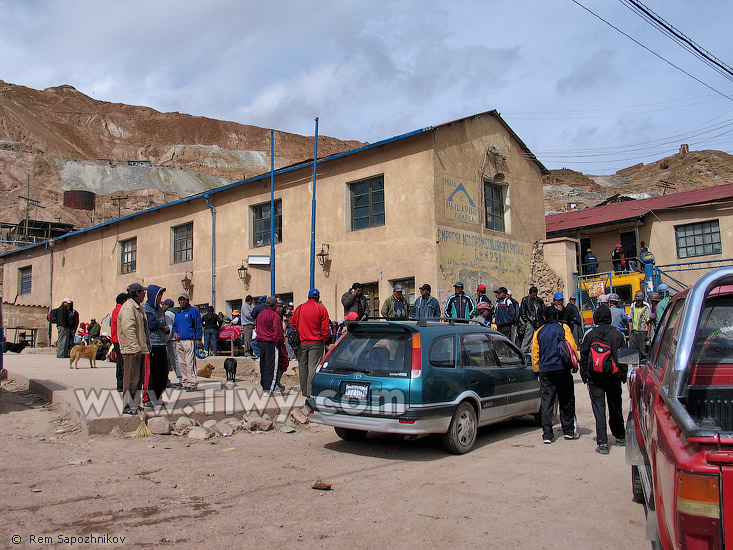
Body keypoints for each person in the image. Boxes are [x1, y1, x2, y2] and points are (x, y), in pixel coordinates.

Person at [579, 307, 627, 455]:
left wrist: (585, 375)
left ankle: (603, 442)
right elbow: (623, 358)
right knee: (615, 406)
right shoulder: (617, 334)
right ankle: (619, 435)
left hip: (595, 378)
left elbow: (584, 356)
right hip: (613, 377)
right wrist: (623, 375)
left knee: (599, 409)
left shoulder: (590, 335)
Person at [531, 306, 579, 444]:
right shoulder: (563, 328)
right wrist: (575, 362)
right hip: (562, 368)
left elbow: (535, 354)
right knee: (566, 399)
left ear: (544, 318)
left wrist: (537, 371)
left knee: (547, 402)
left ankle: (547, 434)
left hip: (546, 370)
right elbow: (572, 346)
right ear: (557, 317)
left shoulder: (539, 332)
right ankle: (568, 430)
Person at [117, 283, 151, 415]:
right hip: (132, 350)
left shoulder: (137, 308)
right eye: (143, 292)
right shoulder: (128, 308)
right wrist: (135, 347)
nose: (144, 294)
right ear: (136, 293)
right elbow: (128, 329)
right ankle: (128, 406)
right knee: (131, 379)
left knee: (138, 379)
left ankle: (135, 404)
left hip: (140, 349)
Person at [292, 289, 331, 397]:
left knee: (303, 367)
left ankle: (304, 391)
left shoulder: (299, 308)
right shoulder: (321, 309)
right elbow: (325, 328)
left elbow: (294, 324)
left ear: (308, 296)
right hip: (316, 342)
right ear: (318, 297)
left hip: (302, 341)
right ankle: (311, 391)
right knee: (313, 367)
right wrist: (324, 339)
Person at [143, 285, 170, 404]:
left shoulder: (159, 309)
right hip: (152, 345)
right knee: (152, 373)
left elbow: (164, 324)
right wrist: (161, 322)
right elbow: (151, 324)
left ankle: (158, 396)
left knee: (163, 372)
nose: (160, 298)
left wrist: (163, 326)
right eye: (159, 295)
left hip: (162, 344)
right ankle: (148, 398)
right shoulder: (146, 308)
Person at [172, 292, 203, 392]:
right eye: (180, 300)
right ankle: (184, 382)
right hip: (179, 341)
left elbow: (198, 325)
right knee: (181, 363)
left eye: (183, 300)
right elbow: (175, 325)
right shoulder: (178, 313)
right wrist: (175, 332)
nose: (181, 302)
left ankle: (192, 383)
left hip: (189, 340)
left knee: (190, 362)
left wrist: (198, 338)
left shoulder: (193, 311)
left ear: (187, 301)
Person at [256, 296, 285, 396]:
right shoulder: (275, 316)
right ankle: (269, 388)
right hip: (271, 343)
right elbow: (277, 332)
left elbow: (257, 328)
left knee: (263, 365)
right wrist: (279, 343)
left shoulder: (260, 315)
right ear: (275, 304)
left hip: (261, 342)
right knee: (272, 366)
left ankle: (264, 386)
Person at [161, 298, 182, 387]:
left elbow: (169, 328)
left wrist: (165, 340)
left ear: (167, 305)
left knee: (174, 360)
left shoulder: (168, 314)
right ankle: (166, 379)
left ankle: (180, 378)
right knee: (169, 361)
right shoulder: (176, 312)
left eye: (163, 304)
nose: (162, 306)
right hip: (176, 339)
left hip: (171, 340)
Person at [519, 286, 545, 354]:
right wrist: (527, 321)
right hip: (530, 320)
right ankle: (523, 351)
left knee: (539, 336)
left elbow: (543, 309)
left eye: (535, 295)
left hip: (539, 321)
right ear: (530, 294)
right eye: (533, 295)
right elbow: (522, 312)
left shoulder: (539, 300)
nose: (534, 296)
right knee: (528, 337)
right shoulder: (525, 300)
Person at [110, 293, 128, 392]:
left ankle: (120, 384)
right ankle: (121, 384)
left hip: (115, 339)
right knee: (122, 363)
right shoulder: (121, 310)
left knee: (119, 362)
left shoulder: (115, 310)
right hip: (120, 339)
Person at [628, 290, 652, 359]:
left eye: (639, 301)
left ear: (642, 301)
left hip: (642, 333)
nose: (637, 302)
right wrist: (630, 330)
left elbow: (649, 322)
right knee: (633, 351)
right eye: (636, 300)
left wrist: (648, 334)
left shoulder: (646, 309)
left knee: (643, 350)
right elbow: (630, 319)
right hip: (633, 332)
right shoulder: (633, 308)